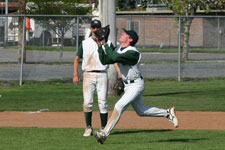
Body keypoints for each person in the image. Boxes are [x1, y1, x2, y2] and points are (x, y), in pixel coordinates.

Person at [94, 29, 179, 144]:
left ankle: (104, 133)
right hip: (128, 85)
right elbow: (105, 60)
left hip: (136, 85)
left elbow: (114, 57)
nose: (122, 34)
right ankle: (167, 113)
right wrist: (100, 46)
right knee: (141, 111)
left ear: (130, 39)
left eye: (125, 34)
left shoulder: (133, 53)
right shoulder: (119, 49)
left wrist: (105, 43)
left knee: (119, 105)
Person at [73, 19, 114, 137]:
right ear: (90, 29)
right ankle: (88, 127)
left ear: (101, 28)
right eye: (93, 27)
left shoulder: (107, 42)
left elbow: (114, 58)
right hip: (88, 74)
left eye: (97, 27)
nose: (95, 29)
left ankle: (104, 128)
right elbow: (76, 59)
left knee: (103, 102)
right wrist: (75, 74)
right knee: (87, 102)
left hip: (102, 74)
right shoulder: (85, 43)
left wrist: (120, 74)